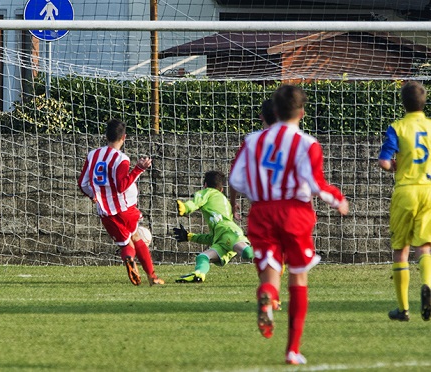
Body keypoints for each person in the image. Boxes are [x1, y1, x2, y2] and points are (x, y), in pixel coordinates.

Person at [229, 85, 349, 365]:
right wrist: (338, 200)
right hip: (295, 213)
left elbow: (236, 179)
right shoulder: (307, 143)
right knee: (298, 276)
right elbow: (316, 183)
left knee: (271, 275)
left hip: (261, 212)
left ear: (274, 110)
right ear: (302, 112)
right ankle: (292, 350)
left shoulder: (252, 141)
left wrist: (259, 192)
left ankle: (268, 296)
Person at [77, 118, 164, 286]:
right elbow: (121, 186)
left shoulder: (93, 154)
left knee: (125, 244)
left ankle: (129, 259)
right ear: (124, 137)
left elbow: (82, 183)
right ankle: (152, 277)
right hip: (124, 208)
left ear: (106, 136)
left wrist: (92, 195)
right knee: (137, 237)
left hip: (104, 212)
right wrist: (139, 169)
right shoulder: (121, 158)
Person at [378, 80, 431, 322]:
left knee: (401, 250)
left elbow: (384, 161)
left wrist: (393, 166)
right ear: (424, 101)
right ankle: (428, 285)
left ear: (403, 103)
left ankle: (403, 309)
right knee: (426, 246)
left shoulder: (397, 127)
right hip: (429, 191)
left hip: (406, 190)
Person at [173, 170, 253, 283]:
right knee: (202, 257)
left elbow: (195, 203)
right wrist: (190, 236)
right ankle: (198, 275)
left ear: (205, 185)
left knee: (247, 253)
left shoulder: (207, 192)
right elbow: (212, 237)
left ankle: (273, 254)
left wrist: (185, 208)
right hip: (221, 239)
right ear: (221, 189)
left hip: (228, 232)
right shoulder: (223, 203)